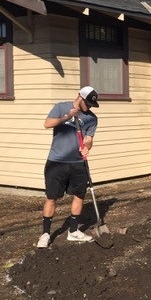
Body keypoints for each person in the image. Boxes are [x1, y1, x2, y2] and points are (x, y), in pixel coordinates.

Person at [36, 86, 99, 248]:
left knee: (79, 195)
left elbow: (89, 138)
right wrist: (66, 117)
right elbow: (47, 124)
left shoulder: (92, 118)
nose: (89, 107)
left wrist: (87, 146)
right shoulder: (61, 107)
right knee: (52, 198)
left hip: (78, 163)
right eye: (88, 103)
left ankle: (73, 231)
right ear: (80, 96)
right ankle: (45, 234)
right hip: (57, 162)